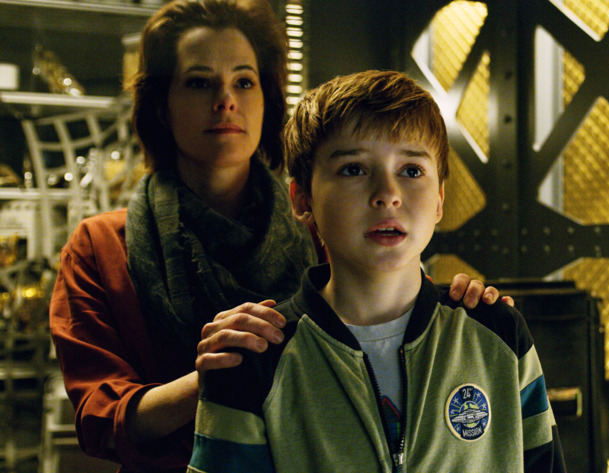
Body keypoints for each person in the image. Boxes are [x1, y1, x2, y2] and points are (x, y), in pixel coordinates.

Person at [48, 1, 506, 472]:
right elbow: (101, 420)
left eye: (244, 82)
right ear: (162, 105)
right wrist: (220, 377)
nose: (226, 100)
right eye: (199, 82)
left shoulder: (327, 220)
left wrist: (461, 308)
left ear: (267, 98)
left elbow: (396, 337)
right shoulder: (101, 247)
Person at [189, 70, 566, 473]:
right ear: (302, 199)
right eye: (353, 169)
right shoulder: (256, 360)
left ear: (439, 199)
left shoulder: (497, 335)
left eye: (411, 170)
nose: (388, 194)